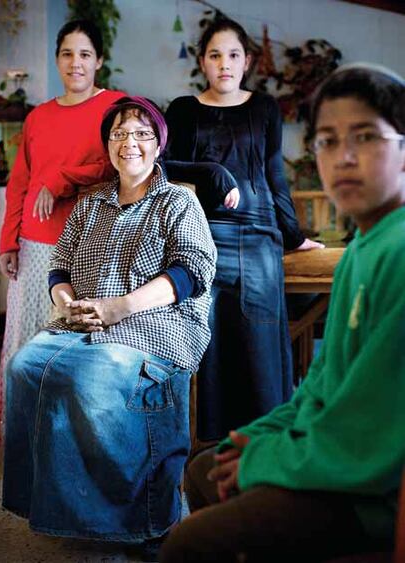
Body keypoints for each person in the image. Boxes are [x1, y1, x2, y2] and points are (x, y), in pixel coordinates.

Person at [159, 63, 405, 562]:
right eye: (328, 142)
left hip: (371, 495)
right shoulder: (362, 246)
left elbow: (367, 431)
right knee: (203, 467)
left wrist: (268, 458)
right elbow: (321, 384)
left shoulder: (398, 252)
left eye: (365, 137)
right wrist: (261, 434)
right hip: (337, 453)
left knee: (187, 543)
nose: (345, 157)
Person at [2, 96, 216, 559]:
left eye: (141, 133)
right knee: (23, 367)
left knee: (93, 375)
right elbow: (60, 268)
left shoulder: (178, 200)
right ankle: (66, 507)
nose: (129, 142)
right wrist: (67, 301)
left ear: (158, 143)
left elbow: (192, 272)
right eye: (119, 133)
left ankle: (142, 516)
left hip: (155, 325)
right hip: (83, 323)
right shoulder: (91, 203)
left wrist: (121, 307)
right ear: (108, 145)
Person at [165, 18, 322, 442]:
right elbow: (163, 167)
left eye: (233, 55)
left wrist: (293, 235)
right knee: (212, 341)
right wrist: (211, 172)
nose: (225, 64)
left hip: (258, 237)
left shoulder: (263, 108)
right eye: (215, 55)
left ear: (247, 60)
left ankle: (268, 441)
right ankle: (215, 445)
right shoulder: (183, 109)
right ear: (202, 61)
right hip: (203, 234)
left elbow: (275, 176)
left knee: (260, 340)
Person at [0, 19, 126, 446]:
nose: (76, 63)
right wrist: (8, 240)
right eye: (67, 54)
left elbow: (116, 162)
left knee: (74, 347)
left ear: (100, 61)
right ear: (57, 60)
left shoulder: (116, 106)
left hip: (89, 244)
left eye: (85, 54)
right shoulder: (38, 116)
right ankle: (21, 439)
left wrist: (63, 178)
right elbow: (20, 182)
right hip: (33, 244)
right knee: (24, 342)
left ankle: (69, 442)